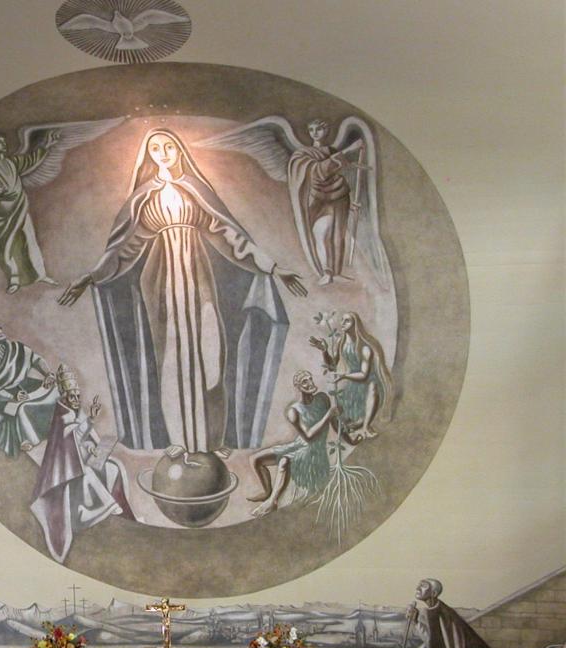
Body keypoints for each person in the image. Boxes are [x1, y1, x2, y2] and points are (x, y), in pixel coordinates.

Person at [59, 128, 307, 453]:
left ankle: (211, 440)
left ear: (179, 149)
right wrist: (91, 276)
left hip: (200, 279)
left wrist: (272, 267)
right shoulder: (144, 198)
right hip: (162, 284)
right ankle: (179, 442)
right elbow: (124, 248)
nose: (162, 153)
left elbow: (231, 235)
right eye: (155, 148)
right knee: (172, 362)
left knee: (211, 358)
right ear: (149, 156)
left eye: (168, 146)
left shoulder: (196, 190)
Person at [30, 364, 135, 563]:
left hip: (80, 461)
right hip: (68, 475)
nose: (77, 400)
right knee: (91, 477)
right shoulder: (62, 416)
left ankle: (121, 513)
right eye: (73, 397)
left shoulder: (74, 411)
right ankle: (108, 508)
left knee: (114, 467)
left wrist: (91, 448)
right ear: (64, 396)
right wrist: (90, 426)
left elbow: (80, 440)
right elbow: (69, 443)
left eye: (78, 396)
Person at [249, 370, 352, 512]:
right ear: (298, 387)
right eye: (304, 382)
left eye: (310, 379)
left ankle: (272, 501)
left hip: (314, 451)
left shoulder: (323, 399)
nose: (310, 383)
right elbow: (308, 436)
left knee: (284, 461)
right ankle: (267, 492)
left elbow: (335, 425)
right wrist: (328, 415)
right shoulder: (294, 411)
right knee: (256, 460)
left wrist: (349, 438)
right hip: (301, 444)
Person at [0, 130, 59, 294]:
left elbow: (31, 160)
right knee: (7, 247)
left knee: (29, 240)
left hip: (20, 208)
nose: (3, 144)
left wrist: (47, 144)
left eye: (3, 141)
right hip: (2, 215)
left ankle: (40, 274)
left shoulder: (12, 162)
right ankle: (14, 280)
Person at [287, 119, 364, 285]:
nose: (315, 133)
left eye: (319, 129)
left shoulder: (332, 152)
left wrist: (352, 204)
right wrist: (349, 150)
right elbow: (319, 171)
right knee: (321, 233)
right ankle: (327, 272)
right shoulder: (302, 154)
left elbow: (341, 173)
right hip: (317, 200)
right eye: (311, 129)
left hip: (338, 197)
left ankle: (334, 272)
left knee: (336, 235)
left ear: (326, 130)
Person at [0, 320, 60, 457]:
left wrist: (48, 374)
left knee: (56, 391)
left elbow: (36, 360)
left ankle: (56, 428)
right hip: (2, 396)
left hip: (24, 385)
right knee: (23, 408)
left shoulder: (16, 348)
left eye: (0, 328)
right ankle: (28, 440)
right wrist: (13, 397)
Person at [309, 311, 393, 439]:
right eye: (342, 320)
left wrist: (344, 376)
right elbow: (332, 366)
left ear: (355, 324)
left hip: (367, 382)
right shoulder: (340, 342)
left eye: (347, 321)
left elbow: (364, 375)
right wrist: (324, 351)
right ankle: (357, 425)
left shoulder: (364, 347)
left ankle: (366, 427)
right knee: (345, 418)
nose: (342, 323)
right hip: (353, 383)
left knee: (372, 388)